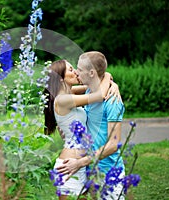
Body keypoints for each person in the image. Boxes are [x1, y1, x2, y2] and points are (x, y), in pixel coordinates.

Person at [44, 59, 120, 199]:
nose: (76, 72)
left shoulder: (68, 92)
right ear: (61, 79)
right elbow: (100, 95)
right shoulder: (62, 100)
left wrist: (113, 84)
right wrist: (107, 75)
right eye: (71, 70)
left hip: (80, 165)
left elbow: (93, 87)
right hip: (69, 166)